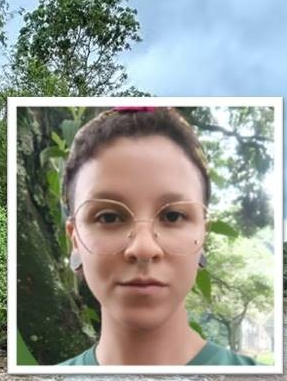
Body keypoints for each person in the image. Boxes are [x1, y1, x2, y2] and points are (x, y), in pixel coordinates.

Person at [58, 107, 257, 366]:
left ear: (202, 236)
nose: (143, 248)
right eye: (108, 217)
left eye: (173, 216)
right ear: (75, 241)